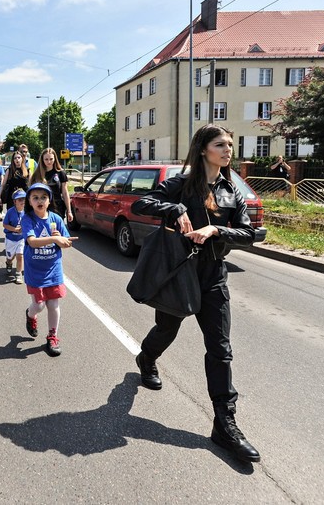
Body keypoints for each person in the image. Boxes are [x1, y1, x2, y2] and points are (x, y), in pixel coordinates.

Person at [131, 124, 260, 463]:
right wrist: (174, 209)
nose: (228, 150)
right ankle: (147, 358)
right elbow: (141, 204)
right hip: (181, 274)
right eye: (221, 144)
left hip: (214, 276)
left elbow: (250, 233)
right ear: (204, 149)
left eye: (230, 145)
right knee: (166, 330)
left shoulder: (232, 192)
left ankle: (224, 423)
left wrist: (217, 228)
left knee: (220, 348)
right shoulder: (181, 185)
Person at [21, 182, 76, 357]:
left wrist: (62, 240)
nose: (40, 201)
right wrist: (54, 239)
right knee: (38, 305)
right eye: (35, 197)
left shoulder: (56, 219)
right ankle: (30, 316)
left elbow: (67, 243)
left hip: (53, 270)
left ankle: (52, 336)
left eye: (44, 197)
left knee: (53, 304)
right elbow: (31, 241)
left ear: (49, 200)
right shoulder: (27, 219)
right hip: (34, 270)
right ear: (29, 201)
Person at [31, 147, 73, 223]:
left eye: (51, 159)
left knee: (56, 232)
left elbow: (65, 193)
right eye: (46, 159)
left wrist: (69, 211)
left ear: (55, 159)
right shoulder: (37, 174)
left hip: (58, 207)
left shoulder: (61, 173)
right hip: (41, 207)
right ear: (42, 160)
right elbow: (31, 194)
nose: (49, 161)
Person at [2, 189, 26, 284]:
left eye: (24, 199)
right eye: (19, 200)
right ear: (14, 201)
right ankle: (9, 263)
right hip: (11, 239)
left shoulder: (27, 212)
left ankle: (18, 273)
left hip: (21, 239)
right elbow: (5, 224)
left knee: (20, 256)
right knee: (10, 257)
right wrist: (15, 229)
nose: (22, 202)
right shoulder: (10, 212)